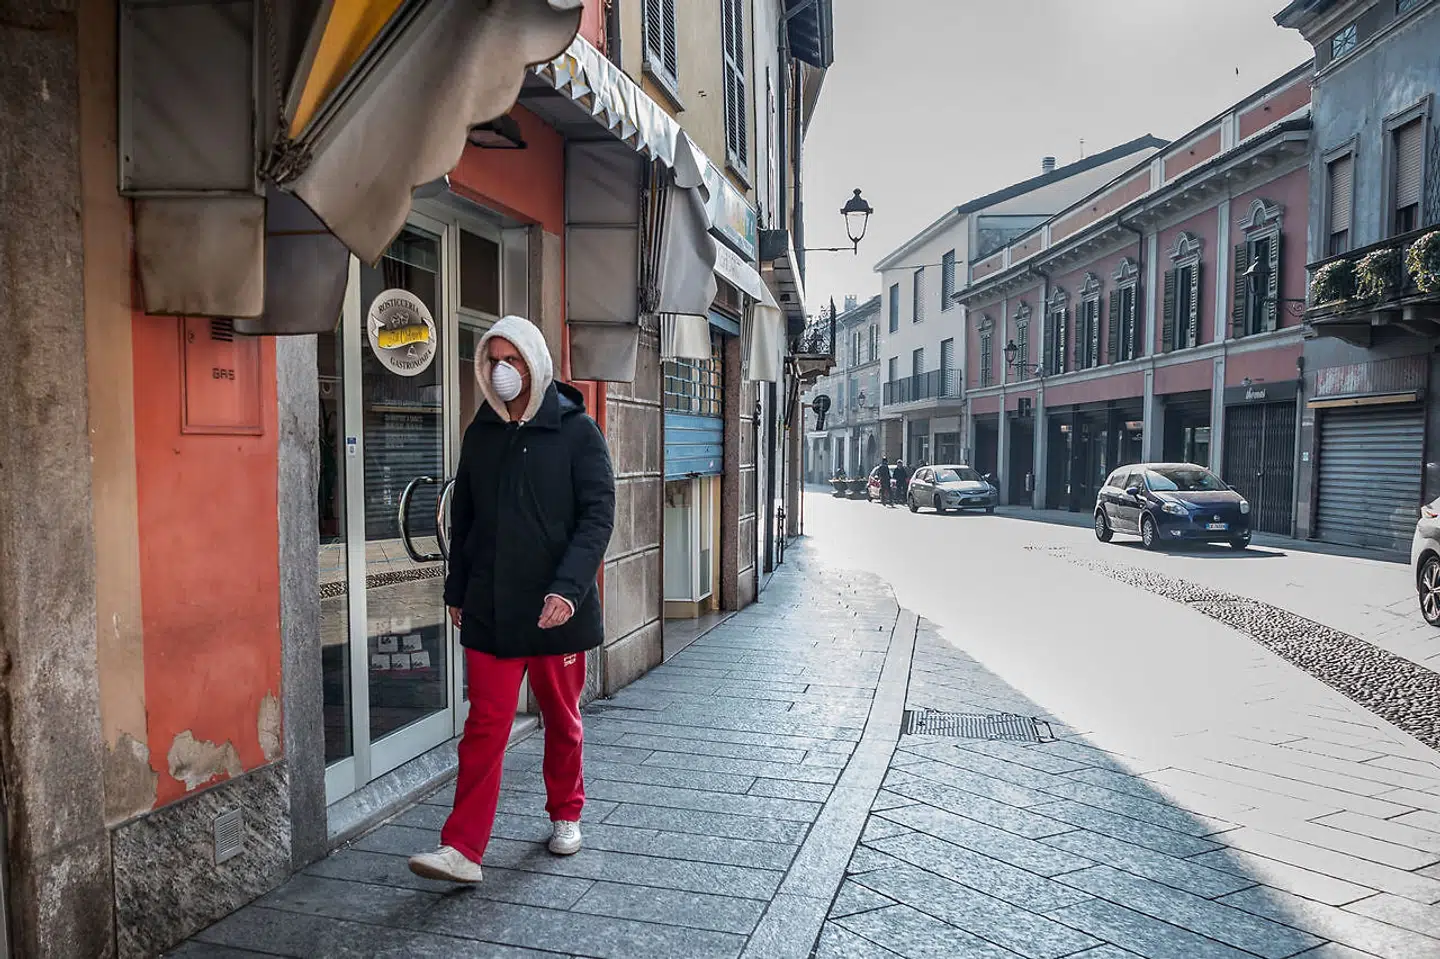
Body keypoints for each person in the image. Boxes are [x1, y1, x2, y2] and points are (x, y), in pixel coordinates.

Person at [408, 315, 615, 884]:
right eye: (494, 358)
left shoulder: (578, 431)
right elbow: (466, 519)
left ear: (536, 363)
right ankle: (463, 849)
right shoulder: (481, 435)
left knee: (561, 719)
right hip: (493, 607)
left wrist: (568, 590)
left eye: (514, 358)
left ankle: (566, 812)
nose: (503, 370)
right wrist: (457, 589)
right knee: (484, 727)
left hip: (556, 611)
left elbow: (598, 516)